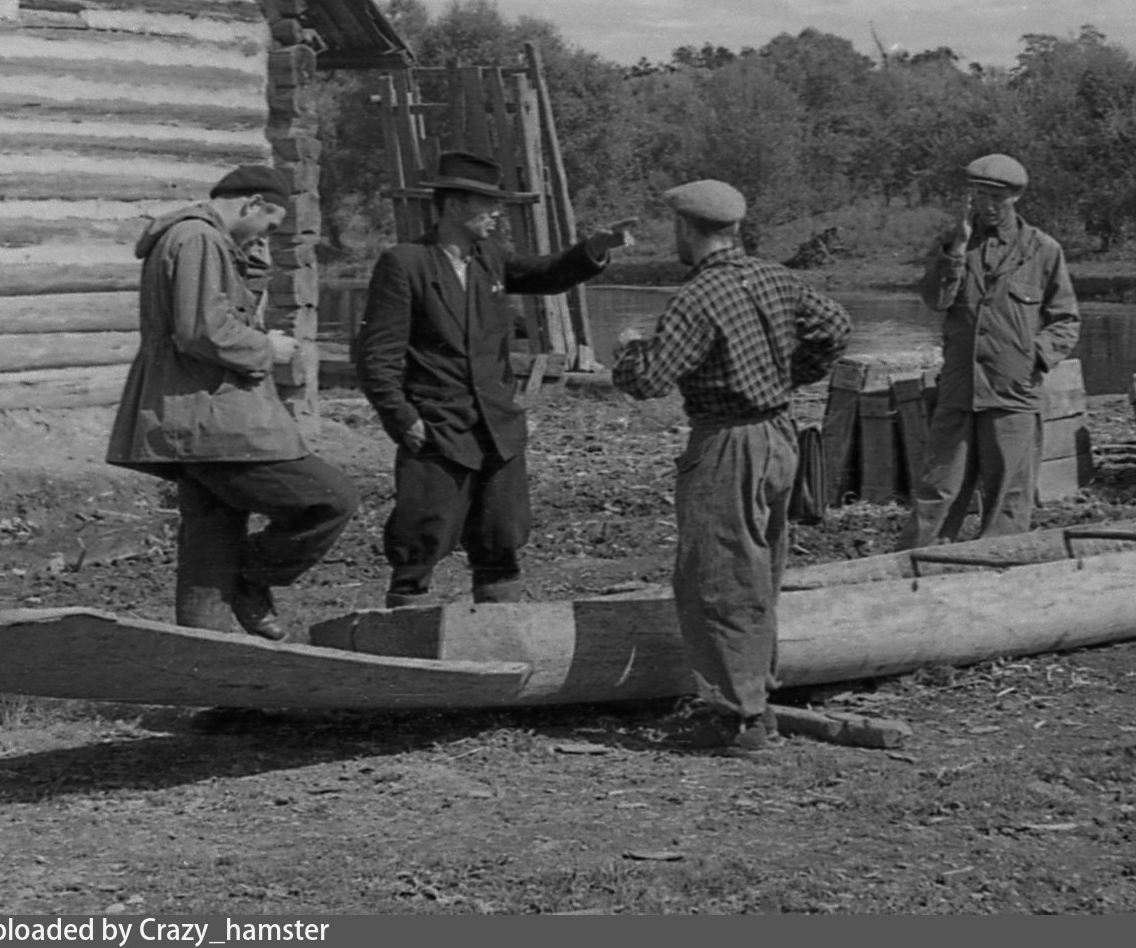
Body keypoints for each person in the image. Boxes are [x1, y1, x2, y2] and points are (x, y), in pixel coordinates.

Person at [610, 180, 852, 755]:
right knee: (760, 571)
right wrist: (791, 376)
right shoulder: (774, 277)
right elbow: (837, 329)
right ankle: (757, 699)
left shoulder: (697, 298)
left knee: (717, 580)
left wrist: (627, 351)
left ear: (686, 229)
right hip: (779, 435)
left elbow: (648, 381)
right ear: (735, 228)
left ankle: (737, 717)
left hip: (727, 444)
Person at [354, 150, 638, 607]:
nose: (498, 213)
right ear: (452, 206)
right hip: (437, 425)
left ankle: (500, 630)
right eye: (486, 203)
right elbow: (376, 355)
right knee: (420, 535)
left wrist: (595, 248)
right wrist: (401, 416)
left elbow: (547, 274)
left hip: (497, 424)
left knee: (501, 534)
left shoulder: (491, 259)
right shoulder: (405, 264)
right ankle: (406, 629)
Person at [107, 165, 360, 640]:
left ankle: (209, 672)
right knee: (330, 500)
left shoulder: (206, 242)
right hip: (211, 416)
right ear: (251, 205)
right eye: (269, 224)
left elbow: (219, 311)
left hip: (194, 415)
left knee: (210, 548)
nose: (269, 234)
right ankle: (252, 577)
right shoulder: (198, 240)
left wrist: (253, 263)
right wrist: (269, 349)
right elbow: (203, 330)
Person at [905, 153, 1079, 548]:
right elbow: (935, 300)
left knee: (1009, 494)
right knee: (939, 487)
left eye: (995, 197)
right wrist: (956, 250)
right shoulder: (954, 245)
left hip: (1013, 392)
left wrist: (1033, 357)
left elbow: (1066, 320)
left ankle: (1001, 565)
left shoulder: (1043, 250)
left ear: (1015, 197)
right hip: (959, 388)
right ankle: (917, 565)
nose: (985, 205)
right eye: (978, 195)